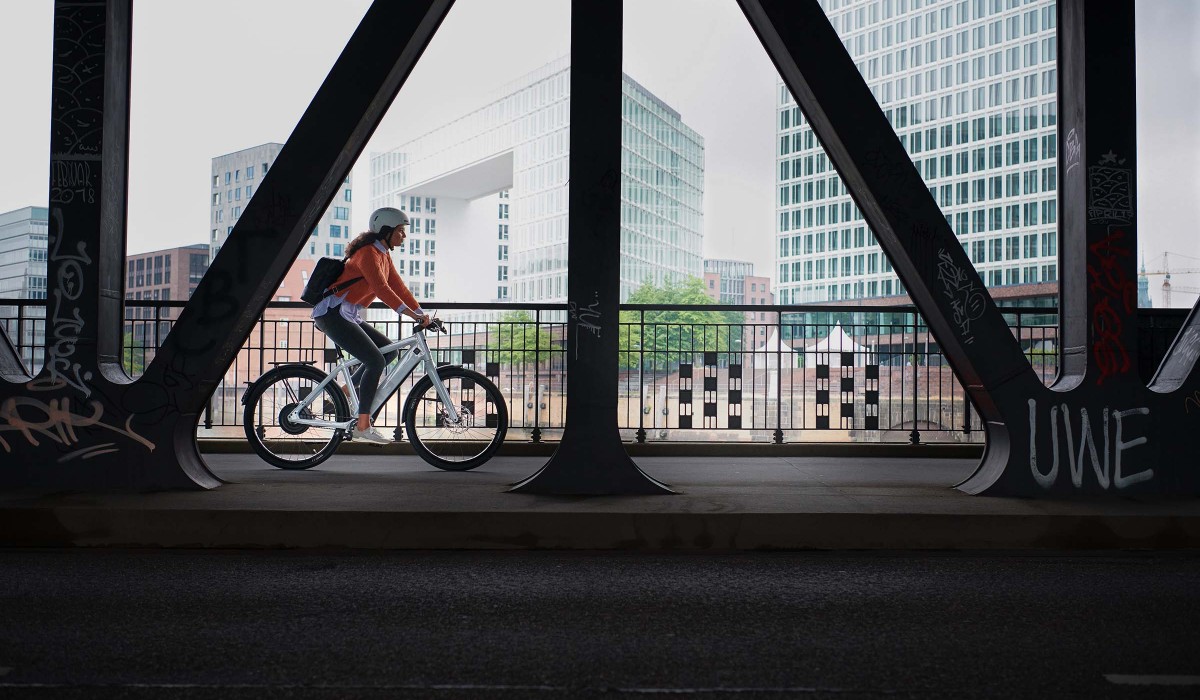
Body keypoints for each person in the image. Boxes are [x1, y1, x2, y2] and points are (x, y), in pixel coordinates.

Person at [312, 207, 431, 445]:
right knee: (375, 360)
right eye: (400, 231)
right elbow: (381, 289)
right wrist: (409, 315)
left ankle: (345, 392)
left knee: (389, 352)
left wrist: (420, 313)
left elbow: (399, 287)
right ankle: (362, 425)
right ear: (385, 231)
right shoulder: (367, 253)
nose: (403, 236)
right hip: (333, 313)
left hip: (348, 313)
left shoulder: (383, 254)